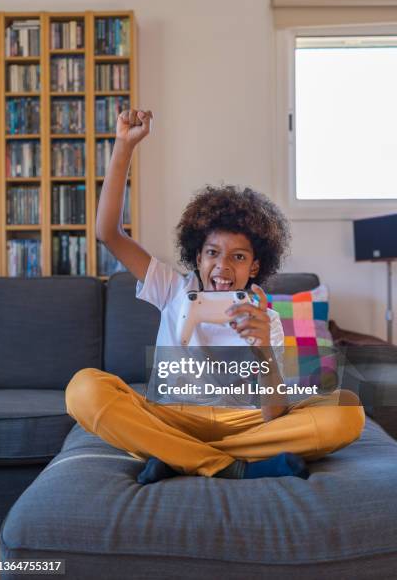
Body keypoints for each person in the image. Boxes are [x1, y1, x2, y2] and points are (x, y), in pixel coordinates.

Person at [65, 109, 365, 485]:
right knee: (83, 389)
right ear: (197, 257)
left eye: (237, 257)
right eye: (212, 253)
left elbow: (273, 415)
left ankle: (178, 458)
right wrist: (124, 146)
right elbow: (108, 232)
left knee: (347, 412)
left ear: (254, 266)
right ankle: (225, 465)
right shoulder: (173, 289)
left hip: (246, 425)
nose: (222, 266)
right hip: (170, 417)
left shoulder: (265, 319)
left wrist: (264, 354)